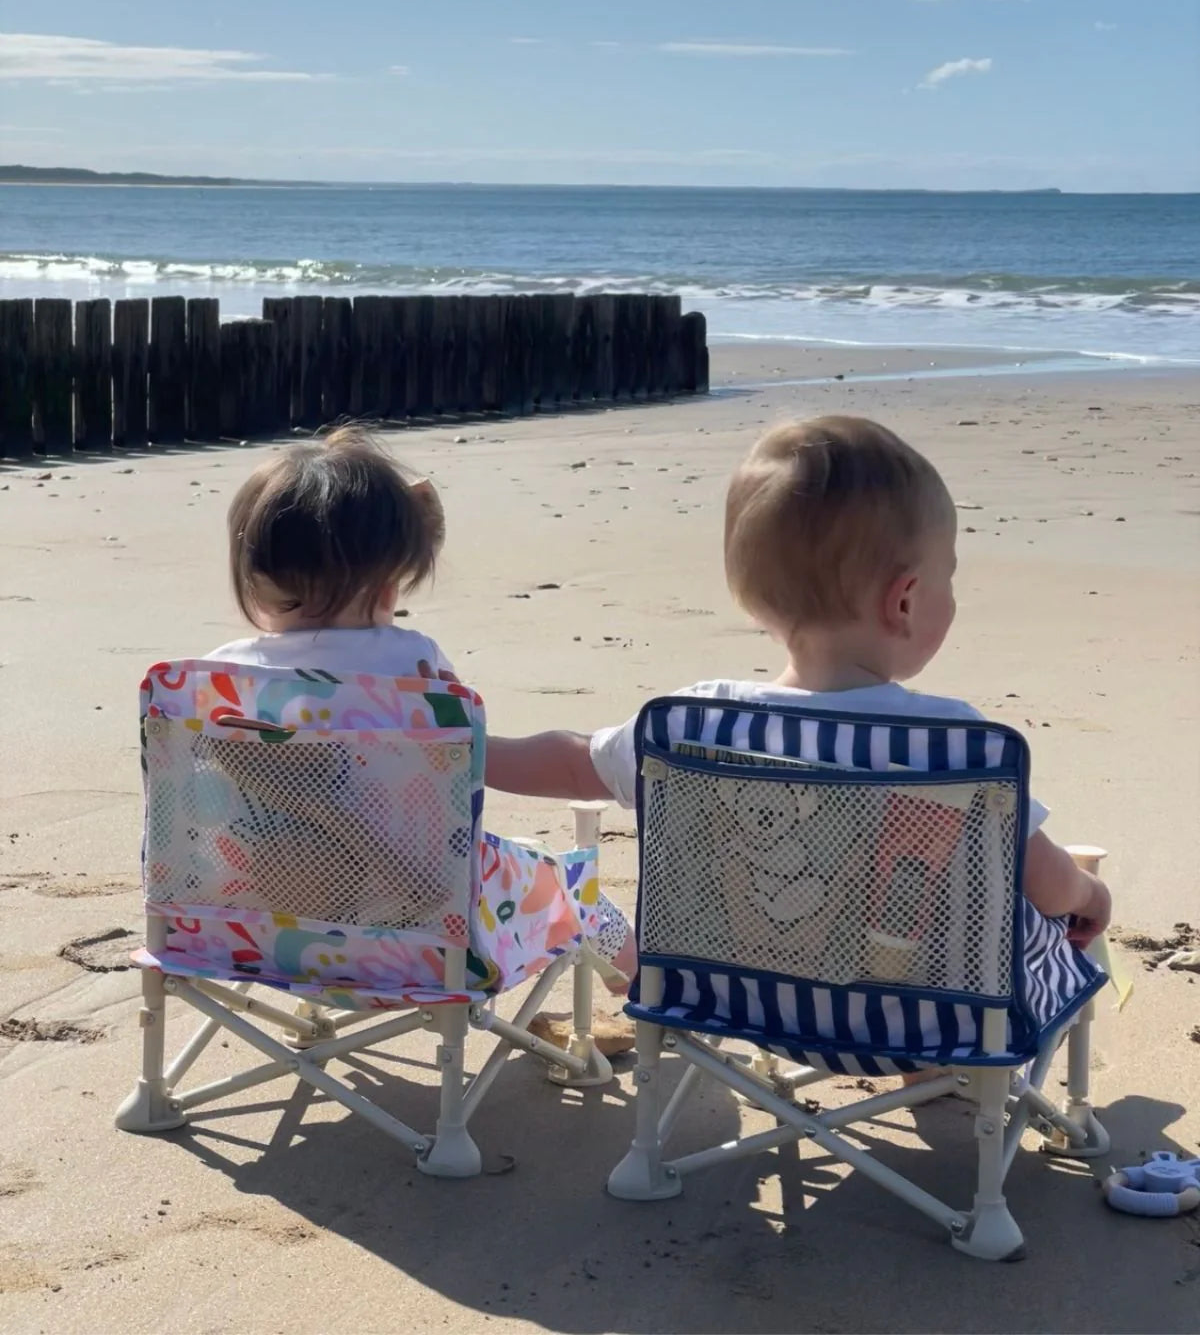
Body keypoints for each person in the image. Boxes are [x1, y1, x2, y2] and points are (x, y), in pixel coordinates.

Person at [486, 415, 1112, 975]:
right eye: (949, 575)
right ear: (904, 600)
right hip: (918, 1026)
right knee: (1045, 935)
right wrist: (1089, 896)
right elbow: (1046, 884)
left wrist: (470, 753)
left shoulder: (691, 723)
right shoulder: (951, 743)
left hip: (731, 1000)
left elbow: (572, 762)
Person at [204, 424, 636, 1014]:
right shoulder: (412, 668)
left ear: (253, 575)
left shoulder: (214, 684)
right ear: (390, 585)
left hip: (253, 936)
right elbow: (464, 758)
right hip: (419, 941)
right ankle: (639, 982)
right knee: (570, 887)